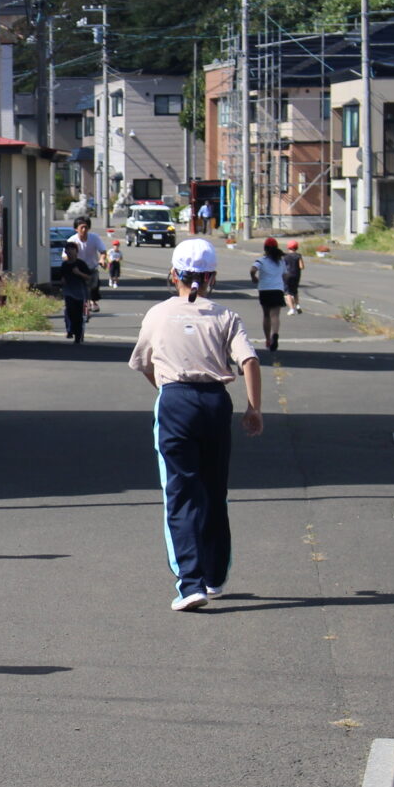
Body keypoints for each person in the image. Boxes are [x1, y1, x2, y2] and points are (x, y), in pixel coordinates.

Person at [127, 239, 263, 612]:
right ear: (212, 278)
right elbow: (249, 361)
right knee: (214, 489)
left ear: (174, 275)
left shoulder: (156, 314)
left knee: (180, 492)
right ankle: (215, 576)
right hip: (216, 402)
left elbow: (144, 363)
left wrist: (167, 388)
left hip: (176, 402)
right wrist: (254, 408)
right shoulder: (225, 316)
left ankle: (190, 583)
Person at [248, 236, 287, 352]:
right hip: (277, 289)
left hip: (264, 290)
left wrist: (254, 278)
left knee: (266, 315)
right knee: (275, 315)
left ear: (265, 248)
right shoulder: (281, 261)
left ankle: (267, 339)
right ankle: (275, 334)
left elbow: (252, 270)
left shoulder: (261, 260)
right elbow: (285, 275)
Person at [68, 217, 105, 316]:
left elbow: (102, 251)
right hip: (78, 269)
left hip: (91, 266)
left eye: (86, 227)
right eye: (82, 227)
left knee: (94, 283)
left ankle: (93, 301)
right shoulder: (72, 240)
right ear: (76, 229)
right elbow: (64, 255)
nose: (84, 230)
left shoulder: (94, 238)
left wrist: (102, 259)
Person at [60, 242, 96, 344]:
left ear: (76, 251)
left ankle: (78, 335)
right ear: (66, 252)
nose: (70, 252)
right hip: (68, 291)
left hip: (80, 292)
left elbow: (89, 277)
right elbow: (62, 277)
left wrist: (79, 273)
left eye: (72, 249)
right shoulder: (64, 265)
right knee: (69, 310)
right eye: (68, 250)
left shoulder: (81, 264)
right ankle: (70, 330)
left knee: (79, 314)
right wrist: (62, 281)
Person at [282, 239, 305, 315]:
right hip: (296, 276)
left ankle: (292, 309)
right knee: (295, 291)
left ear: (288, 247)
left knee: (287, 293)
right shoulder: (298, 256)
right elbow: (301, 266)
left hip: (287, 276)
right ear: (297, 247)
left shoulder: (285, 256)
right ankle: (298, 305)